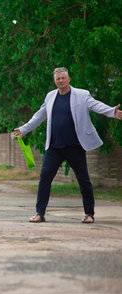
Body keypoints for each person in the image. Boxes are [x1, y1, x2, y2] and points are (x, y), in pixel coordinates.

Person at [14, 67, 122, 224]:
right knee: (45, 178)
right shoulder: (50, 96)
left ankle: (89, 214)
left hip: (74, 146)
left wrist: (112, 112)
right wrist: (24, 129)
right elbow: (39, 116)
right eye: (58, 79)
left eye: (63, 78)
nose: (60, 81)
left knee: (83, 180)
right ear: (55, 81)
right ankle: (39, 213)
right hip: (54, 147)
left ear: (69, 79)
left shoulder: (82, 95)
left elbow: (96, 105)